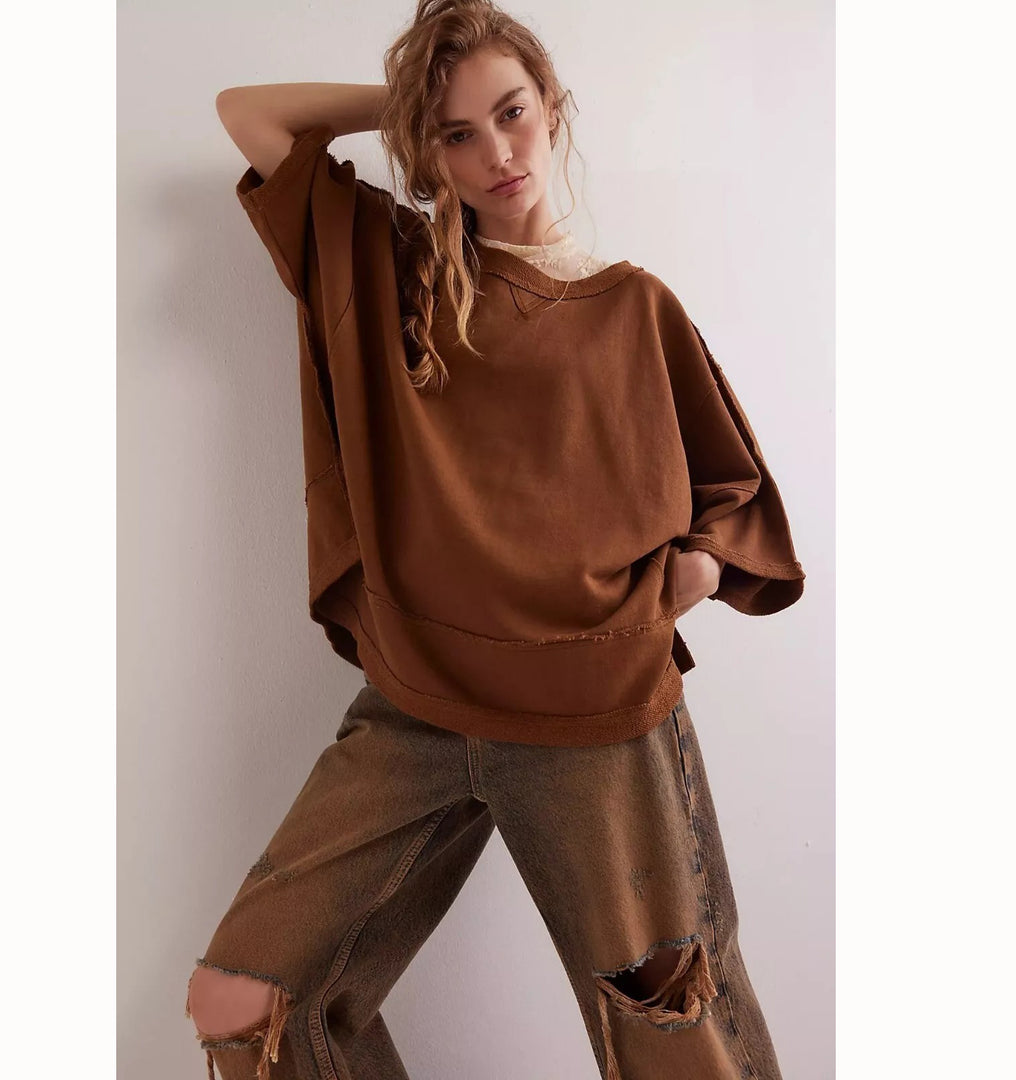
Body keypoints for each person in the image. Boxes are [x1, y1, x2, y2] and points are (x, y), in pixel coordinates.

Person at [184, 2, 806, 1078]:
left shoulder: (632, 306)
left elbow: (732, 496)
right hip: (417, 701)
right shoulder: (390, 269)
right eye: (458, 135)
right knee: (247, 999)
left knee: (667, 1026)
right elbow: (250, 116)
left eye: (512, 114)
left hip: (595, 713)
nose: (496, 154)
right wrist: (411, 105)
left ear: (552, 107)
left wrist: (693, 573)